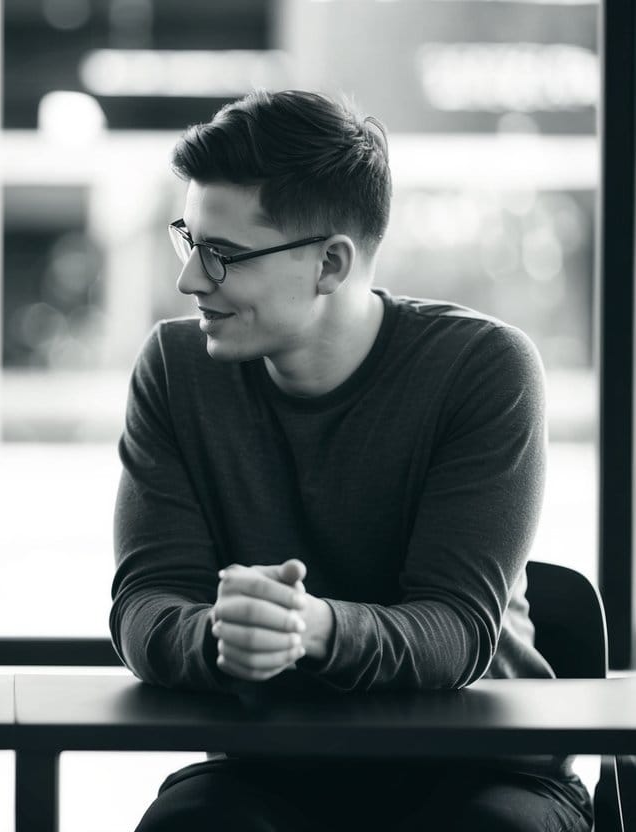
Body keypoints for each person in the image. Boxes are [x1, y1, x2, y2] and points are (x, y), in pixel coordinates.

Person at [111, 89, 594, 831]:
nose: (190, 281)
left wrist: (312, 629)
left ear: (330, 262)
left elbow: (457, 630)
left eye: (223, 256)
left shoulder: (483, 369)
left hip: (482, 769)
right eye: (189, 240)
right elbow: (144, 601)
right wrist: (221, 634)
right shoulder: (177, 370)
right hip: (271, 768)